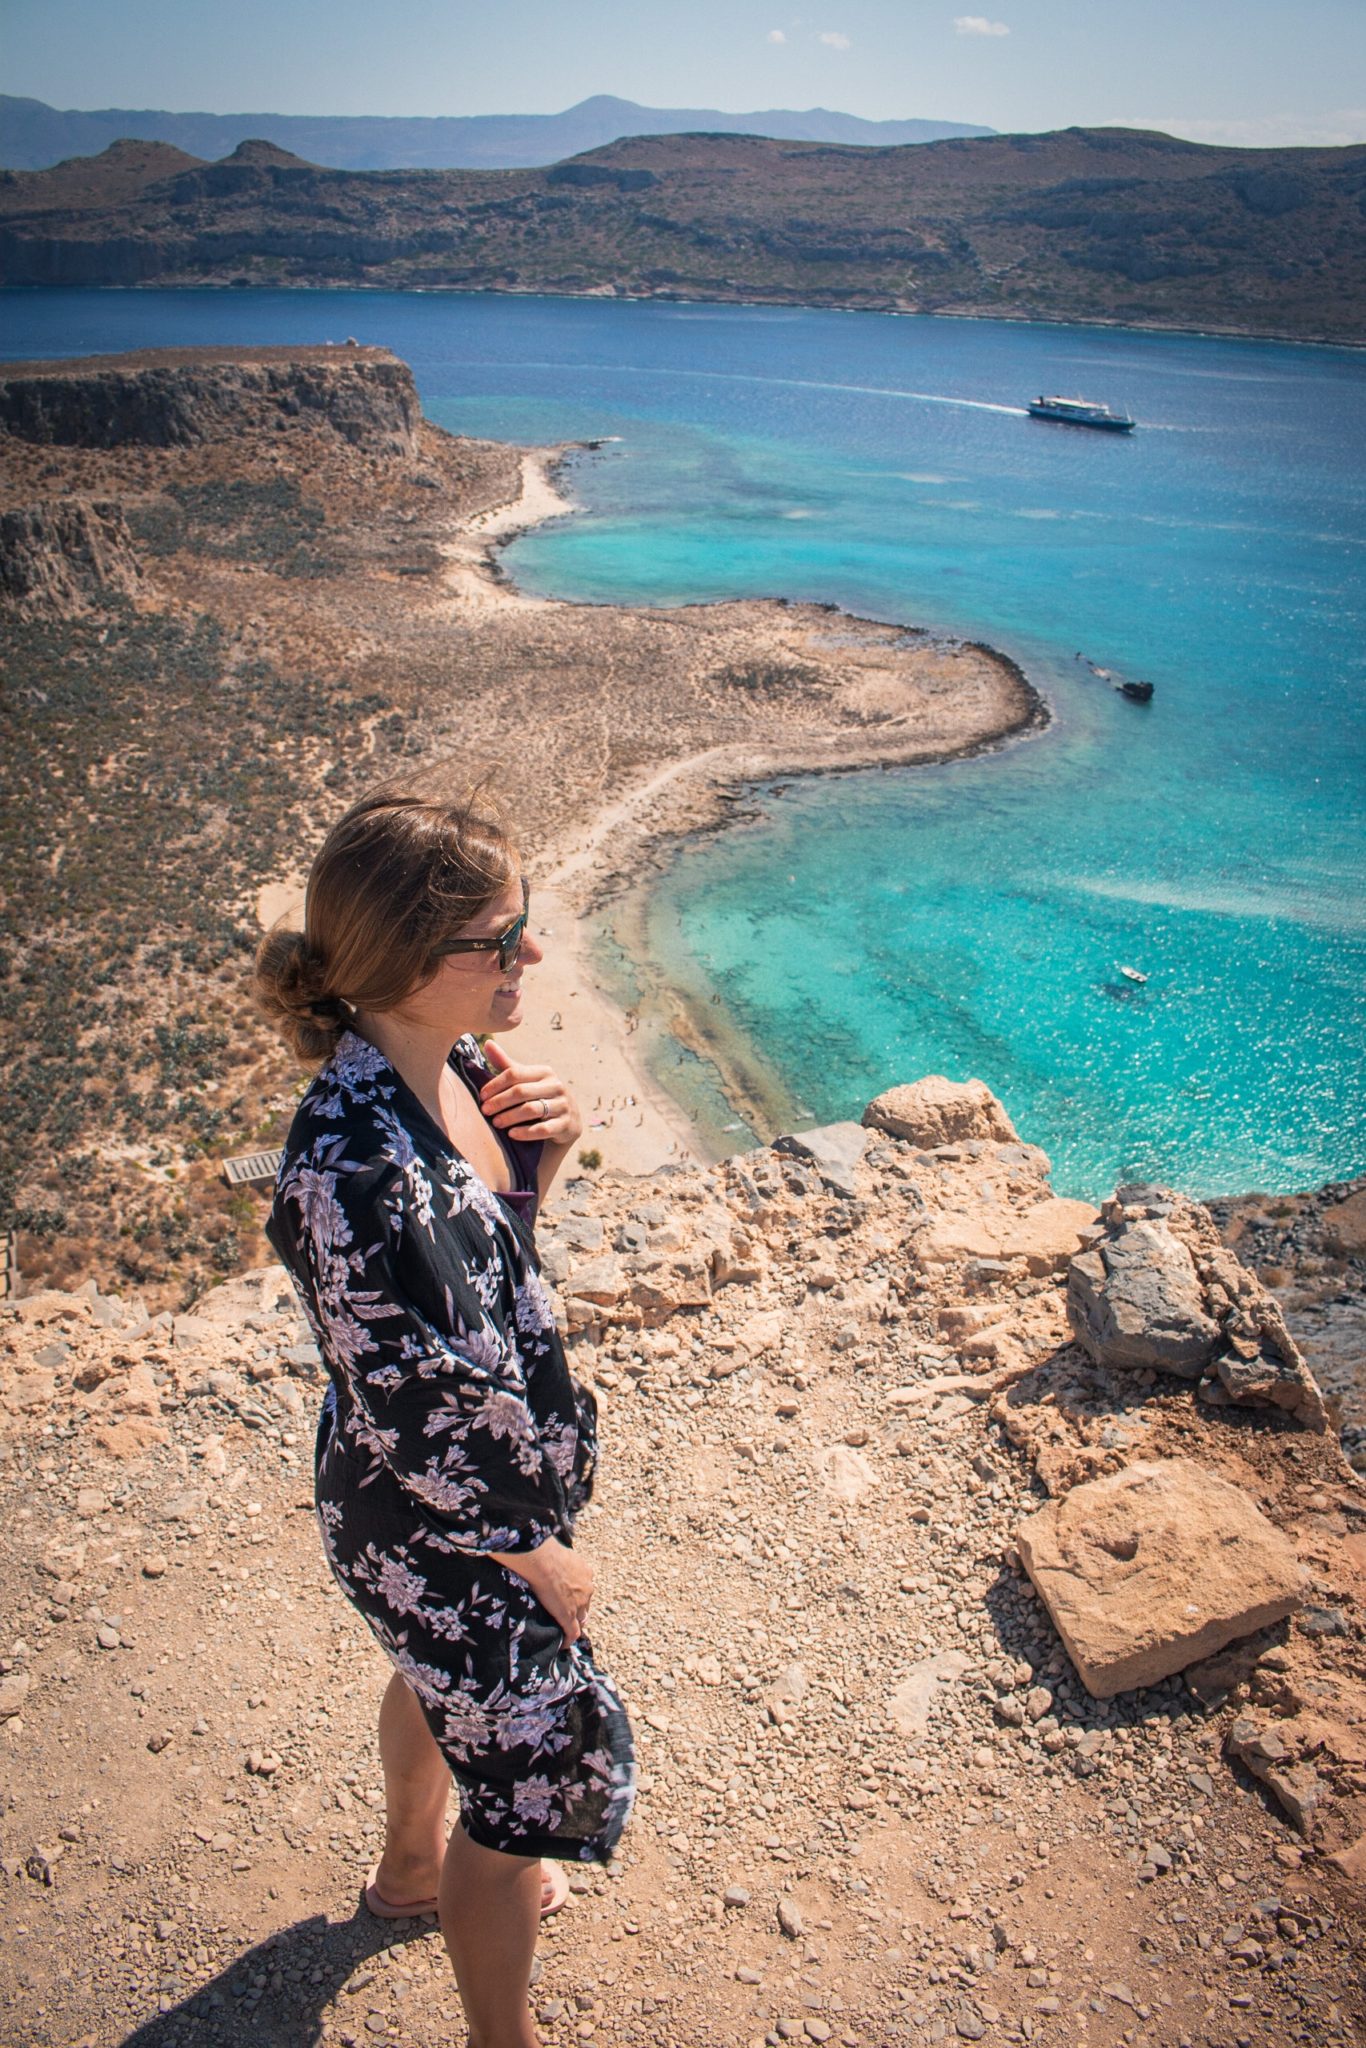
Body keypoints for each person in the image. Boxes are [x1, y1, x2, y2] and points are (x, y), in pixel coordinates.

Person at [254, 779, 635, 2048]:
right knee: (524, 1800)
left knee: (432, 1678)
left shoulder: (454, 1061)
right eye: (501, 934)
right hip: (441, 1516)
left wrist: (545, 1159)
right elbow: (422, 1413)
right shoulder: (348, 1166)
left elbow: (475, 1267)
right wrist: (540, 1550)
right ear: (412, 963)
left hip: (446, 1496)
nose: (532, 950)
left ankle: (409, 1872)